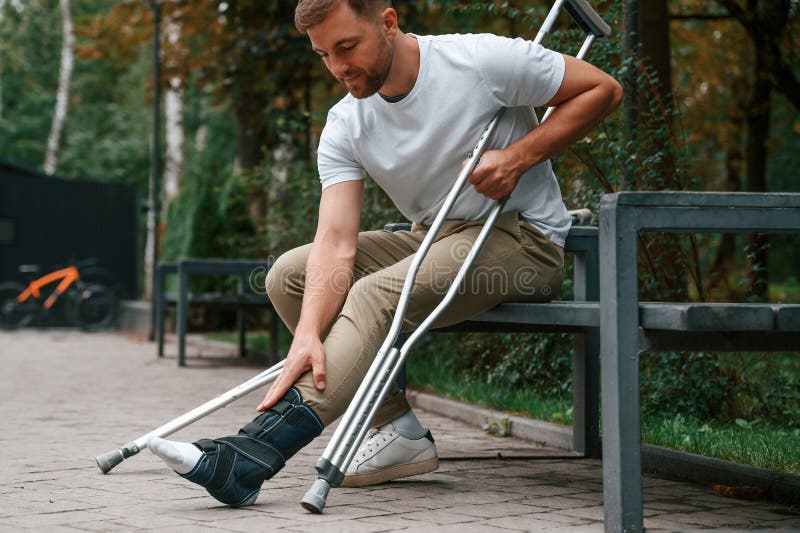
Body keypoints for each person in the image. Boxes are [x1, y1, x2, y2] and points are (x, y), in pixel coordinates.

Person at [149, 0, 622, 507]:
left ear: (388, 23)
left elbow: (603, 88)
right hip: (433, 238)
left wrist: (518, 157)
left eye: (347, 47)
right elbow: (334, 243)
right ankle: (393, 427)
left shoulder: (480, 61)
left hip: (521, 237)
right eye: (323, 55)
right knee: (289, 275)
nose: (337, 67)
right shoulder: (345, 124)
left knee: (374, 294)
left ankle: (251, 455)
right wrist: (307, 334)